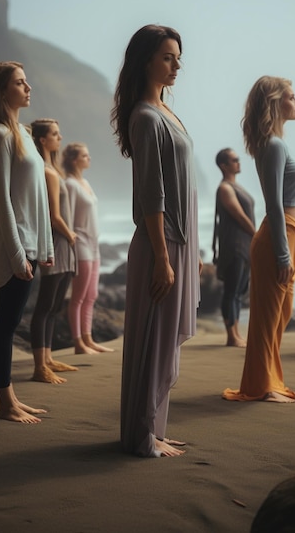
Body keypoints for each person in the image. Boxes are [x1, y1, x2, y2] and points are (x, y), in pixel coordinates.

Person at [111, 24, 202, 457]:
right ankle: (143, 437)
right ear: (146, 60)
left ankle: (154, 429)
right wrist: (164, 257)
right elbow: (153, 192)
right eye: (168, 57)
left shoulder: (164, 111)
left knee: (164, 341)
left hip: (177, 244)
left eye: (178, 57)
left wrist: (191, 251)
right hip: (159, 245)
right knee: (153, 340)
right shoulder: (146, 117)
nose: (177, 65)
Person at [0, 61, 54, 423]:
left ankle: (12, 399)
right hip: (15, 247)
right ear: (1, 91)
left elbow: (36, 198)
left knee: (12, 321)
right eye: (20, 83)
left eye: (26, 81)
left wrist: (46, 247)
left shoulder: (23, 132)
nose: (28, 88)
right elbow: (3, 200)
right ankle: (6, 403)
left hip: (31, 245)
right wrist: (17, 253)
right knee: (6, 324)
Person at [223, 75, 295, 403]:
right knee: (267, 319)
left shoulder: (276, 143)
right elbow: (272, 202)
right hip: (278, 236)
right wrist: (283, 255)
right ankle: (262, 387)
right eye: (291, 96)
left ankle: (268, 380)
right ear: (275, 102)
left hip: (289, 234)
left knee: (281, 315)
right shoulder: (272, 144)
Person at [30, 119, 78, 382]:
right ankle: (39, 366)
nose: (60, 138)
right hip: (56, 243)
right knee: (45, 305)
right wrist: (70, 234)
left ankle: (47, 359)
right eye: (55, 134)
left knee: (56, 305)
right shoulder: (46, 172)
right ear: (42, 141)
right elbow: (52, 215)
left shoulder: (53, 169)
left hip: (64, 244)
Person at [62, 143, 111, 354]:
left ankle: (89, 339)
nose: (89, 158)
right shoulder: (70, 184)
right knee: (79, 296)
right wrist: (70, 242)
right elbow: (66, 216)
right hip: (80, 242)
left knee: (92, 295)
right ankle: (78, 343)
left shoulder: (85, 182)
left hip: (94, 243)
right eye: (85, 155)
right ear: (74, 160)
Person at [212, 148, 256, 347]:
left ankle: (237, 333)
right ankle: (231, 335)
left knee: (239, 291)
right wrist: (257, 235)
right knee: (231, 290)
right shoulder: (225, 188)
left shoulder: (235, 186)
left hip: (244, 246)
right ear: (224, 165)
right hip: (234, 246)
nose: (239, 162)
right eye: (234, 160)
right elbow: (239, 216)